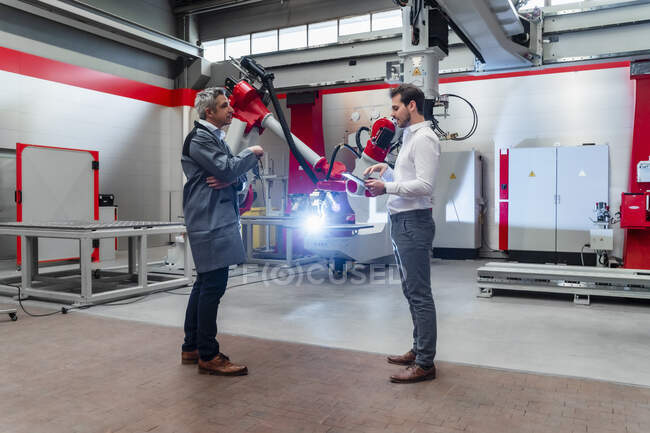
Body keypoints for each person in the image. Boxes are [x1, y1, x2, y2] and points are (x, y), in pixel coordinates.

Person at [180, 87, 263, 376]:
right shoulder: (200, 138)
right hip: (209, 220)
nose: (230, 110)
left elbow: (230, 175)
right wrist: (251, 153)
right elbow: (227, 169)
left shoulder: (215, 138)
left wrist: (234, 179)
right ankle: (208, 354)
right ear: (209, 112)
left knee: (205, 282)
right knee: (213, 285)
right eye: (224, 105)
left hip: (215, 217)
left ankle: (192, 346)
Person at [364, 84, 441, 384]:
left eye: (396, 108)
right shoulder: (409, 136)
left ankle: (425, 363)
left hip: (414, 222)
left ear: (411, 106)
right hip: (402, 221)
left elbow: (425, 186)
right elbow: (408, 178)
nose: (392, 114)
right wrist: (388, 170)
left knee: (419, 294)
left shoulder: (425, 138)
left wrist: (387, 186)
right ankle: (418, 349)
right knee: (411, 291)